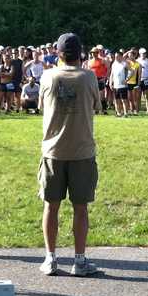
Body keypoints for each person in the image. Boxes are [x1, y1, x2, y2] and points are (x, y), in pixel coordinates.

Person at [38, 33, 102, 277]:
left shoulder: (48, 76)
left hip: (53, 150)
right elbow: (97, 105)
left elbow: (42, 106)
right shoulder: (89, 77)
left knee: (50, 206)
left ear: (58, 52)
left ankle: (51, 258)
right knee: (80, 208)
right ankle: (79, 260)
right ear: (80, 53)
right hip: (82, 150)